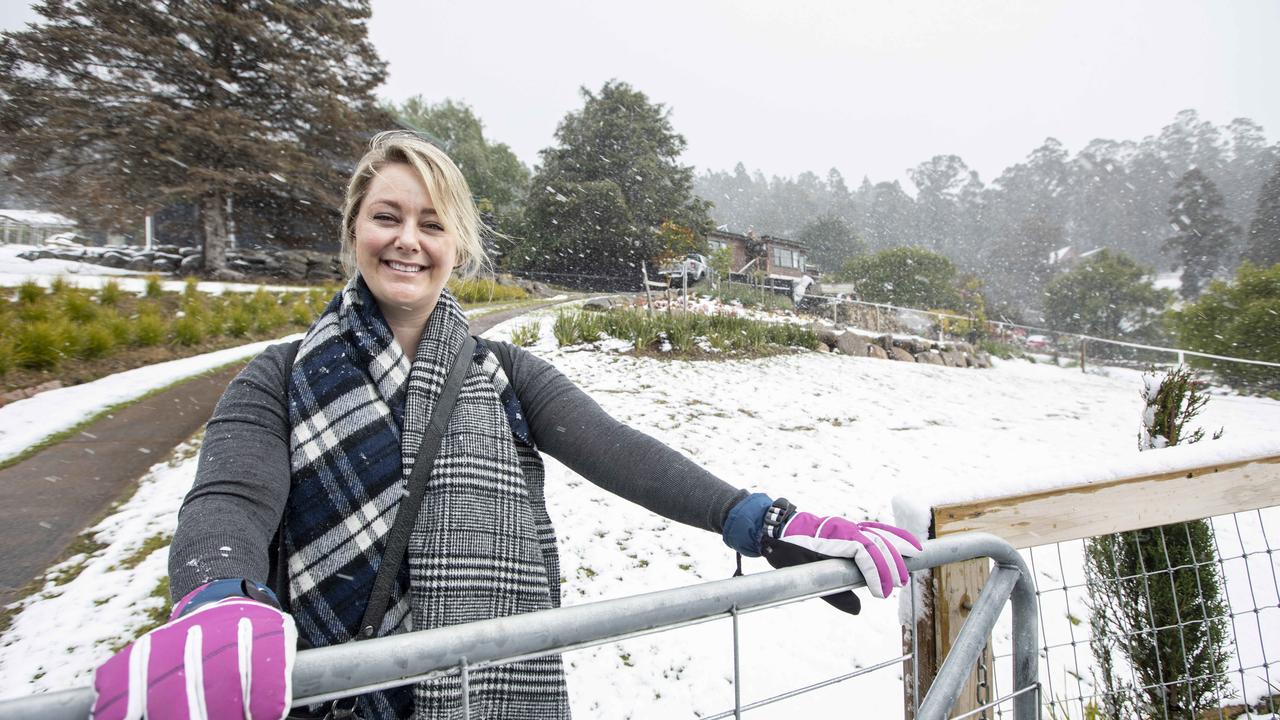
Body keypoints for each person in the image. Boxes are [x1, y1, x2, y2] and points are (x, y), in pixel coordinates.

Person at [89, 131, 922, 720]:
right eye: (387, 216)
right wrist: (216, 595)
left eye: (430, 222)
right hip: (318, 688)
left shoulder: (509, 377)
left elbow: (622, 453)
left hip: (487, 694)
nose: (406, 240)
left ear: (457, 244)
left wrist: (761, 519)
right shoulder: (274, 378)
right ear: (354, 231)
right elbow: (231, 495)